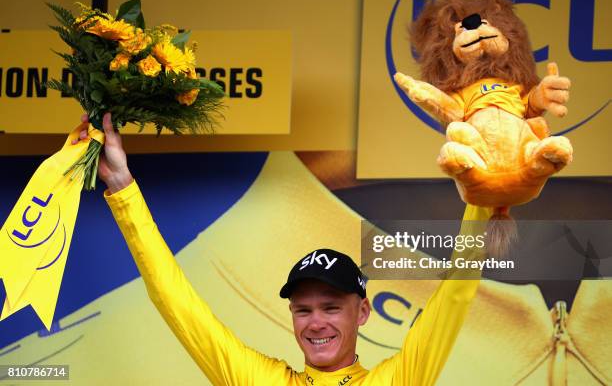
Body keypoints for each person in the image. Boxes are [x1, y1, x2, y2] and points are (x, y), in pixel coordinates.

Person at [74, 112, 486, 385]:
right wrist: (123, 187)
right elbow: (175, 300)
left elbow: (454, 296)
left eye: (330, 306)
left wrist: (483, 198)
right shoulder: (260, 379)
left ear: (362, 312)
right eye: (303, 309)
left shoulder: (398, 379)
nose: (316, 323)